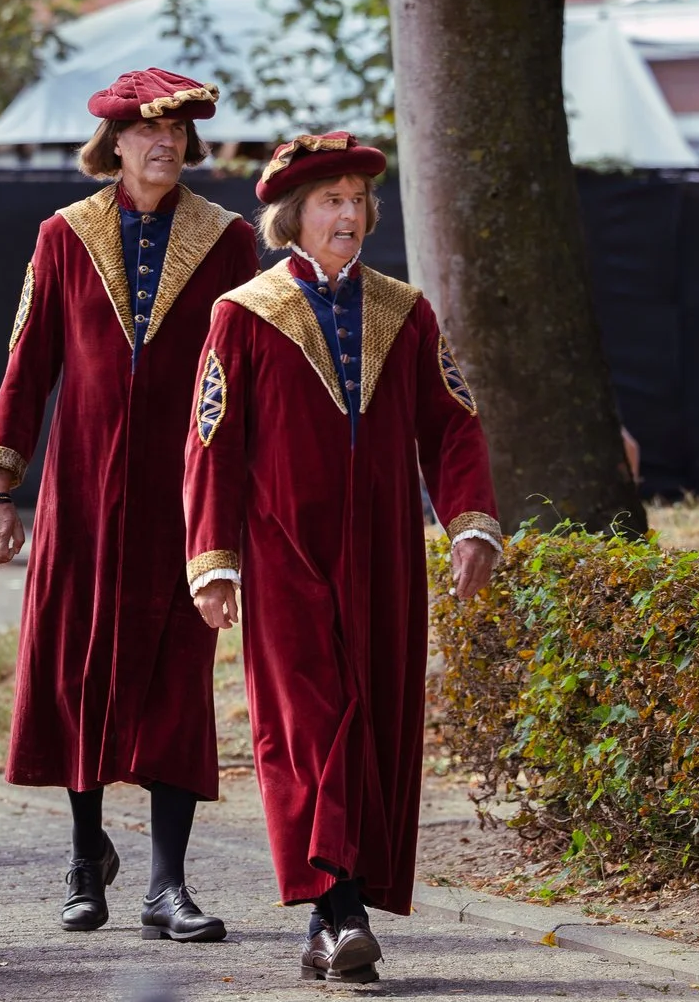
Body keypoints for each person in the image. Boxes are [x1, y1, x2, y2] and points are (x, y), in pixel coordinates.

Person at [183, 133, 502, 986]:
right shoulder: (242, 313)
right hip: (287, 553)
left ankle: (338, 920)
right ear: (293, 216)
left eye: (360, 200)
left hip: (385, 551)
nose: (350, 215)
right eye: (332, 201)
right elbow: (211, 441)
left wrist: (471, 521)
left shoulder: (406, 309)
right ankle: (340, 910)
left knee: (376, 725)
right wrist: (214, 558)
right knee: (311, 727)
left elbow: (454, 424)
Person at [0, 68, 257, 940]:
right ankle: (85, 851)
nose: (161, 144)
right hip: (83, 492)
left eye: (175, 132)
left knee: (177, 679)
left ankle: (166, 884)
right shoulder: (64, 234)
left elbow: (244, 375)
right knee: (79, 669)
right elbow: (30, 361)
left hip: (186, 499)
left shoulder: (230, 240)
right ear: (115, 143)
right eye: (145, 132)